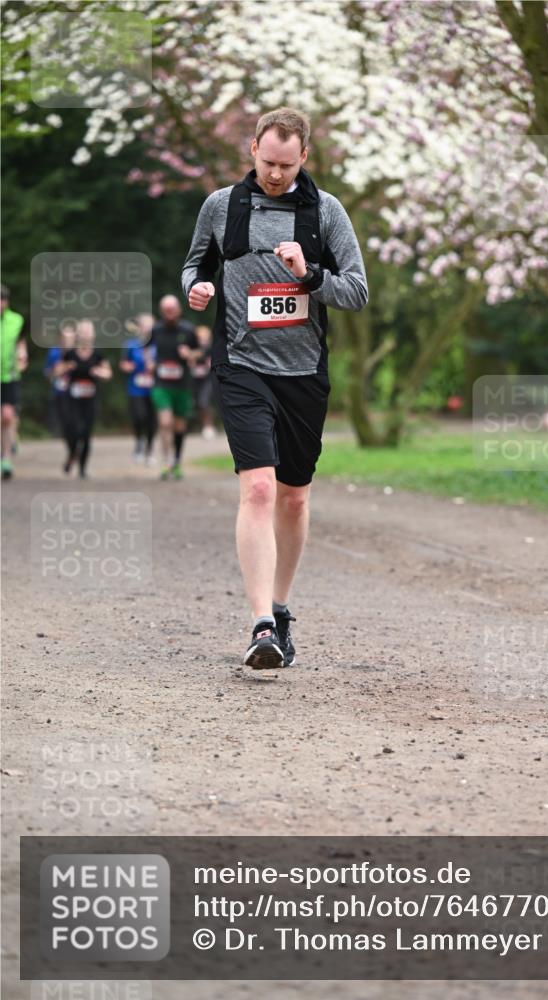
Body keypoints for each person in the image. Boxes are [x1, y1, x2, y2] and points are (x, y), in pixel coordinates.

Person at [182, 107, 368, 669]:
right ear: (253, 150)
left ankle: (281, 609)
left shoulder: (325, 212)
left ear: (304, 157)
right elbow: (194, 266)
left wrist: (309, 274)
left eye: (286, 165)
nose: (275, 174)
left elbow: (357, 291)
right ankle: (261, 624)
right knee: (259, 488)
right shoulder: (222, 205)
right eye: (267, 162)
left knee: (293, 495)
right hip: (242, 364)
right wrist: (197, 288)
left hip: (303, 372)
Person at [144, 295, 199, 480]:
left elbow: (200, 351)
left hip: (182, 384)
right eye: (166, 311)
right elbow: (145, 348)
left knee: (179, 426)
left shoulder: (188, 330)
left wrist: (190, 353)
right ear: (161, 312)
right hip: (161, 383)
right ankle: (166, 461)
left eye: (172, 310)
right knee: (165, 422)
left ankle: (176, 461)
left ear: (179, 310)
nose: (169, 314)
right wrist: (149, 361)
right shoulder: (156, 330)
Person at [55, 319, 112, 478]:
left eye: (89, 332)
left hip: (90, 400)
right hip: (72, 400)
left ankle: (82, 468)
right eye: (83, 332)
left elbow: (108, 373)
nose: (86, 335)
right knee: (72, 430)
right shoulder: (70, 354)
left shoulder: (98, 354)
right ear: (78, 335)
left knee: (86, 433)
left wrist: (99, 372)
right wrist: (67, 367)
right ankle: (72, 454)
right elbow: (56, 371)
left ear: (93, 335)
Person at [119, 313, 157, 465]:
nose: (147, 328)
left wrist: (155, 366)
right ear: (139, 327)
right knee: (139, 417)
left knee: (151, 420)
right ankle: (139, 442)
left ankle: (149, 450)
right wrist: (128, 366)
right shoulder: (131, 344)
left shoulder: (158, 344)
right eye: (144, 325)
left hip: (154, 388)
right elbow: (123, 363)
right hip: (135, 388)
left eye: (150, 325)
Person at [1, 283, 28, 480]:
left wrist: (22, 355)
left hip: (9, 376)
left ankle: (6, 459)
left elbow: (20, 342)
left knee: (8, 416)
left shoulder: (16, 320)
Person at [44, 321, 76, 445]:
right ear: (60, 338)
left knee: (75, 420)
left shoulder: (79, 353)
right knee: (65, 421)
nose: (67, 340)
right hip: (59, 392)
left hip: (76, 393)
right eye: (64, 337)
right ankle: (70, 444)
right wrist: (58, 371)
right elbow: (48, 373)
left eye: (70, 337)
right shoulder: (53, 352)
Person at [192, 325, 216, 439]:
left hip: (208, 379)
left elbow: (202, 354)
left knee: (204, 401)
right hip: (196, 379)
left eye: (205, 337)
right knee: (198, 404)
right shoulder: (193, 347)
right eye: (200, 338)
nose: (203, 340)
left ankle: (209, 426)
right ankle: (203, 426)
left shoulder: (211, 348)